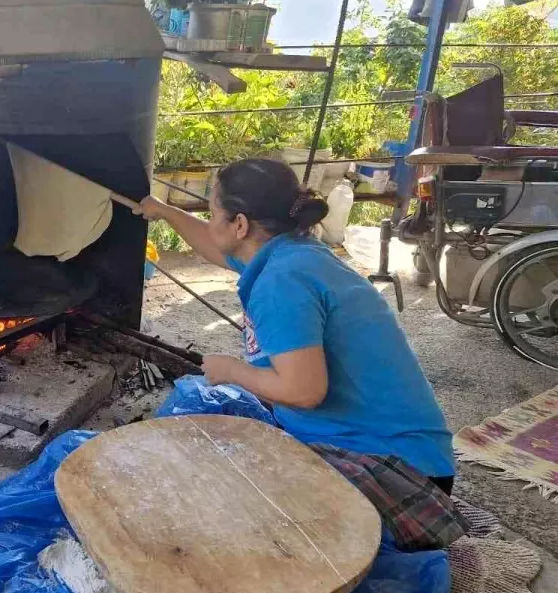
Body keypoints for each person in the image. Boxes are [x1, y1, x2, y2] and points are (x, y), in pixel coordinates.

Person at [138, 158, 466, 551]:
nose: (210, 224)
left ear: (240, 225)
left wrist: (232, 370)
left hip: (401, 473)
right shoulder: (293, 251)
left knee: (221, 509)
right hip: (409, 453)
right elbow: (217, 247)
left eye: (213, 214)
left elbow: (304, 391)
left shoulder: (281, 283)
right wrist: (163, 211)